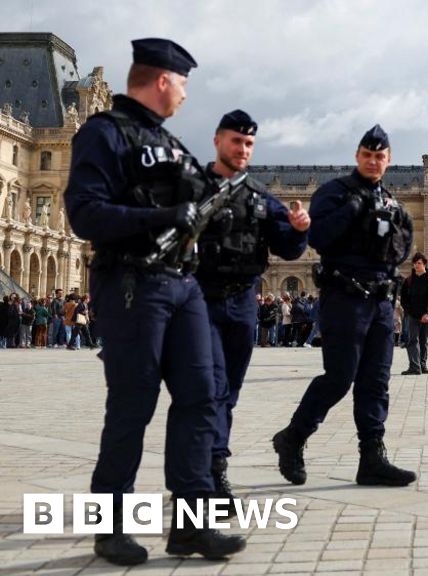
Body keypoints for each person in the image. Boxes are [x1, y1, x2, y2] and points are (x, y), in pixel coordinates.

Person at [63, 38, 245, 564]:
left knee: (201, 398)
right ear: (163, 80)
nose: (187, 95)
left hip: (183, 286)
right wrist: (160, 219)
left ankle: (191, 526)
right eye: (183, 84)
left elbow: (198, 201)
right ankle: (110, 527)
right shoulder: (104, 133)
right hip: (131, 283)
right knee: (132, 405)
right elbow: (85, 215)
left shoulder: (169, 141)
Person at [273, 125, 416, 488]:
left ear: (388, 160)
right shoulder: (334, 193)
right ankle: (294, 436)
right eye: (367, 155)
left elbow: (403, 248)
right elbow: (317, 237)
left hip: (381, 302)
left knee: (376, 382)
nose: (373, 161)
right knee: (339, 378)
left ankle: (372, 456)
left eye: (379, 156)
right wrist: (353, 210)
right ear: (357, 156)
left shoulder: (393, 204)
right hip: (345, 297)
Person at [195, 110, 309, 503]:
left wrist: (298, 230)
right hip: (201, 299)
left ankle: (214, 468)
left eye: (248, 143)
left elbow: (288, 248)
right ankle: (207, 474)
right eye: (235, 141)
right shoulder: (192, 188)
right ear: (217, 141)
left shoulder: (260, 198)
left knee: (228, 391)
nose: (242, 149)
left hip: (243, 300)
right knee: (209, 389)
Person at [400, 252, 428, 374]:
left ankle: (422, 365)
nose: (416, 265)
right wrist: (409, 312)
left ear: (424, 264)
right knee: (412, 340)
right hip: (413, 315)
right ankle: (415, 367)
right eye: (415, 263)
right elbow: (404, 299)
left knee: (424, 341)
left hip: (427, 315)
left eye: (419, 263)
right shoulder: (408, 281)